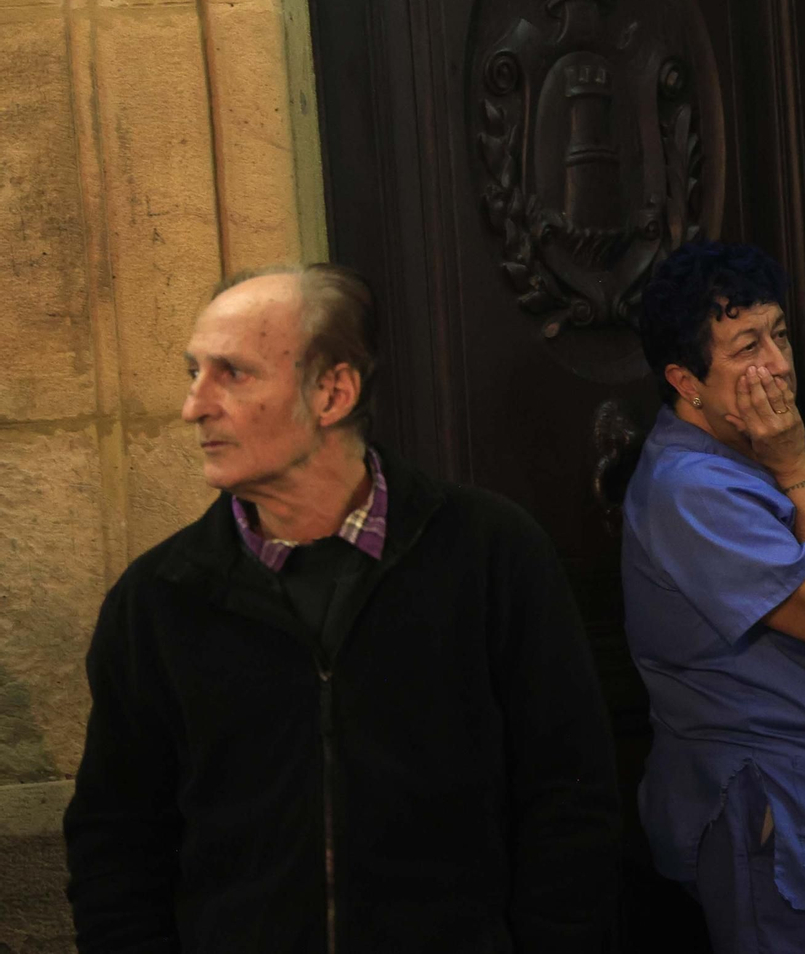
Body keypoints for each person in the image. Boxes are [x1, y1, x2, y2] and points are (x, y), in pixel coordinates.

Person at [63, 265, 620, 953]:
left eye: (231, 374)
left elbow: (570, 800)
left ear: (333, 391)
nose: (194, 406)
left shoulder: (491, 555)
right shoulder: (157, 599)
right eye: (192, 373)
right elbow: (116, 844)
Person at [621, 242, 805, 954]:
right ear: (685, 380)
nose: (779, 365)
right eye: (747, 346)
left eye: (779, 334)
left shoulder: (765, 442)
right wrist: (792, 465)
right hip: (787, 838)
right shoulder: (689, 487)